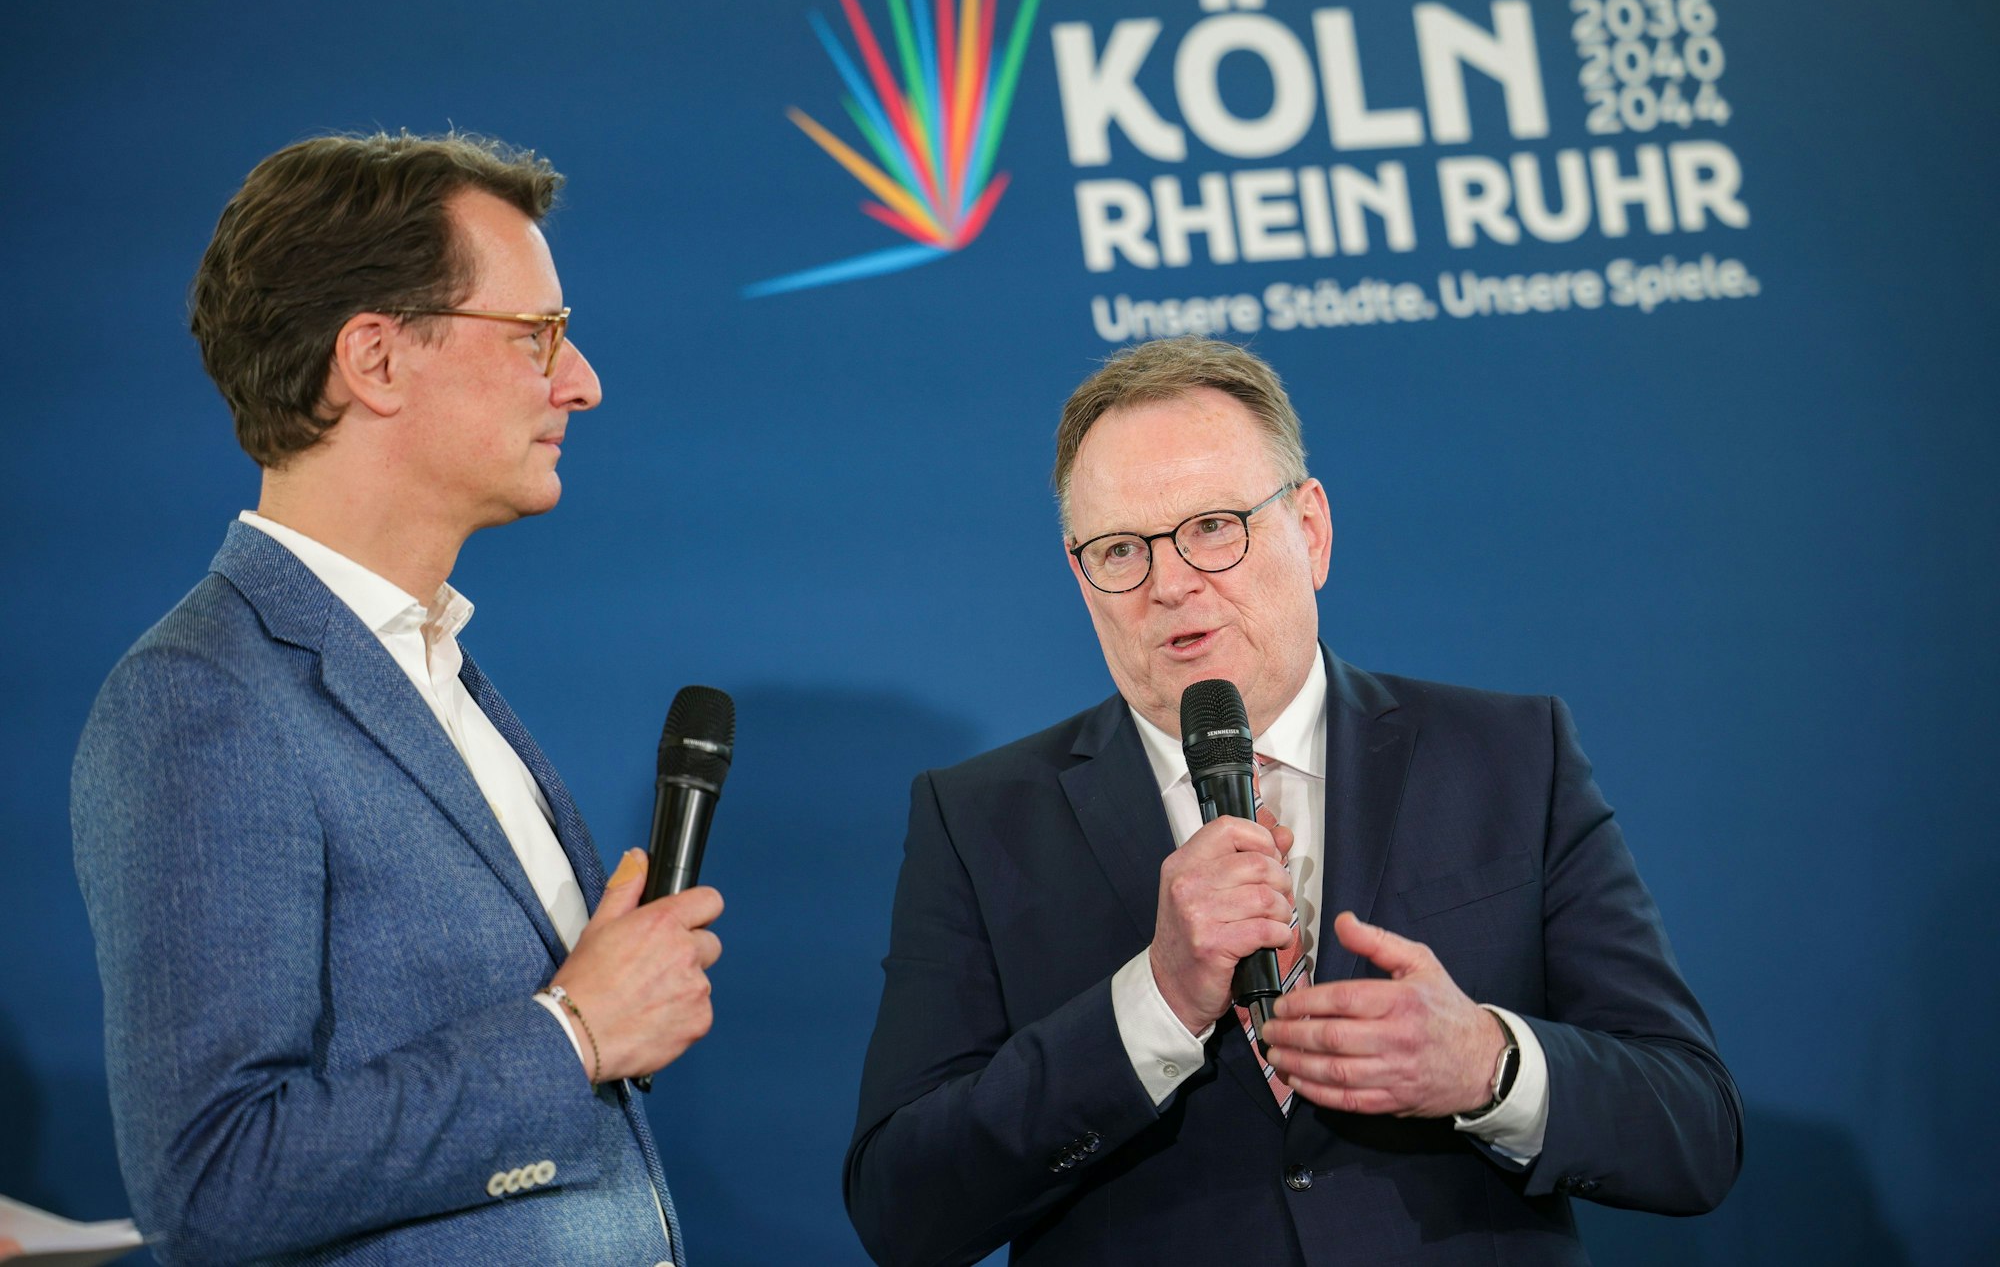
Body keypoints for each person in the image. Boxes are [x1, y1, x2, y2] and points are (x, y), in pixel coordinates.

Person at [845, 336, 1740, 1265]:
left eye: (1214, 526)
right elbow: (903, 1209)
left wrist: (1485, 1064)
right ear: (1081, 577)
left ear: (1309, 531)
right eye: (1121, 549)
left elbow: (1694, 1132)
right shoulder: (981, 818)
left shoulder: (1511, 758)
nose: (1171, 583)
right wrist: (1153, 1003)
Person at [71, 132, 721, 1265]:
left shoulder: (434, 665)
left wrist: (600, 1008)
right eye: (537, 336)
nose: (581, 380)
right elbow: (213, 1180)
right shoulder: (202, 698)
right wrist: (569, 1032)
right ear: (374, 358)